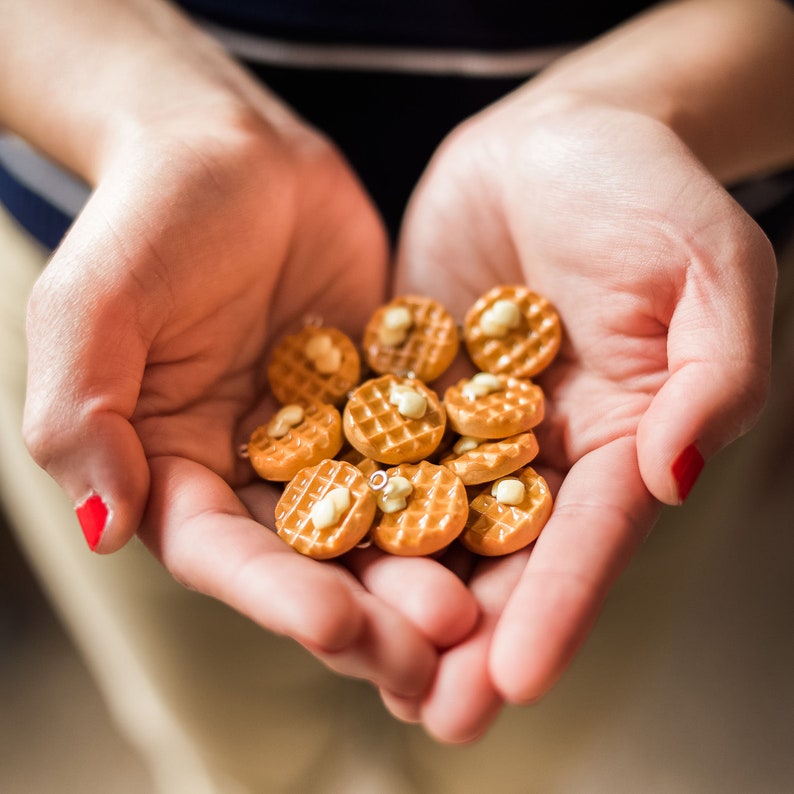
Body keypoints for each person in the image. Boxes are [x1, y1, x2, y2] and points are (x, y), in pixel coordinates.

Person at [1, 0, 793, 790]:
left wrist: (653, 105)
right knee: (226, 735)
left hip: (621, 329)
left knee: (511, 747)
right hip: (155, 316)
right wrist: (148, 113)